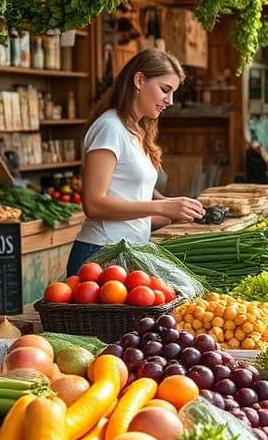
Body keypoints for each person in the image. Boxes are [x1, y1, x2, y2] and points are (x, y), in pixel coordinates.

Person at [68, 49, 205, 275]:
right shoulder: (110, 128)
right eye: (165, 90)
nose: (170, 101)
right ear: (139, 80)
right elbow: (93, 204)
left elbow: (134, 195)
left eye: (173, 93)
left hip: (127, 252)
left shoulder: (136, 131)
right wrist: (164, 207)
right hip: (101, 254)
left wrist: (178, 209)